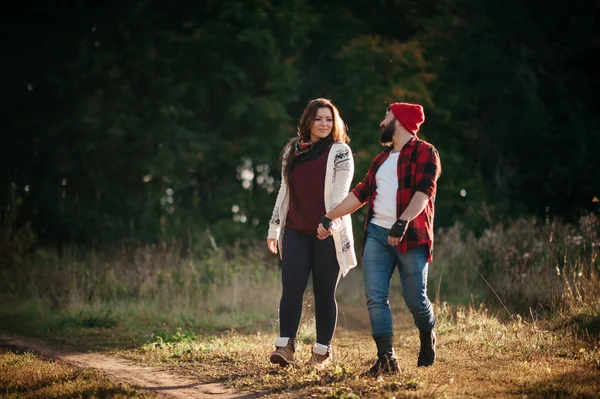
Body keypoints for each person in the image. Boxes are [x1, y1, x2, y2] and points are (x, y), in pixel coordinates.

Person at [317, 102, 441, 375]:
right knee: (375, 297)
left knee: (415, 299)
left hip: (410, 235)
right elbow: (360, 194)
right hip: (376, 234)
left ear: (400, 120)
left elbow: (424, 192)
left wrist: (402, 222)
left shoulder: (426, 152)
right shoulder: (381, 159)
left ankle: (427, 333)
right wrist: (330, 216)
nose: (382, 122)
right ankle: (387, 359)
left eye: (386, 116)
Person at [267, 98, 357, 369]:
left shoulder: (341, 151)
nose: (324, 124)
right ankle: (285, 348)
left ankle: (321, 352)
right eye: (318, 119)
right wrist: (274, 228)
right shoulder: (291, 151)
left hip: (327, 232)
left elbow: (342, 192)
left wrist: (330, 222)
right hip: (295, 230)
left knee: (324, 291)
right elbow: (285, 192)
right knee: (291, 287)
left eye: (329, 119)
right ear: (308, 121)